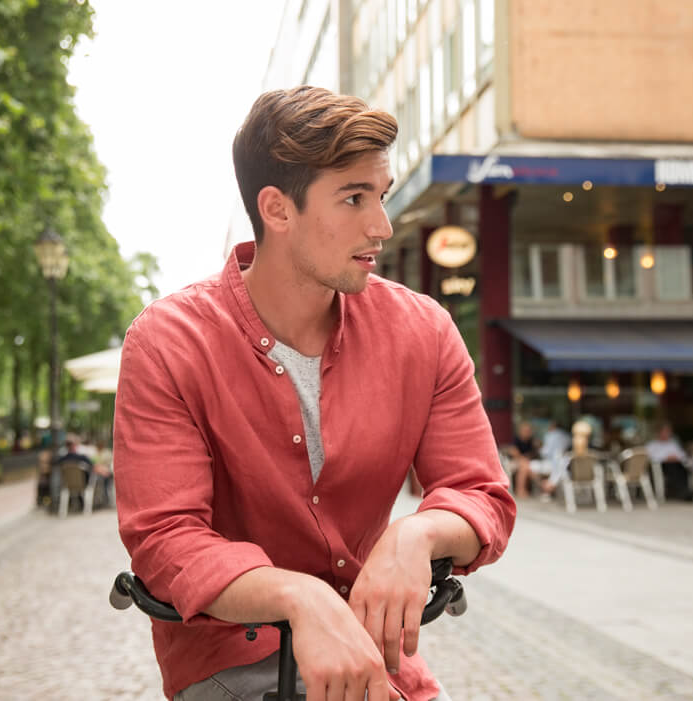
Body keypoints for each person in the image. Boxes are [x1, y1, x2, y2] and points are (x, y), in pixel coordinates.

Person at [114, 86, 515, 701]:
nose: (381, 225)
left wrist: (418, 534)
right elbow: (166, 538)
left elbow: (482, 494)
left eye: (379, 196)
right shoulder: (168, 341)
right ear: (276, 209)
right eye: (353, 198)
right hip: (230, 660)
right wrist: (298, 597)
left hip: (377, 662)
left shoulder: (425, 330)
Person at [645, 422, 692, 501]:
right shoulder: (652, 445)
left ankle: (684, 493)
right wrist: (666, 458)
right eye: (665, 431)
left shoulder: (673, 444)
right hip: (661, 466)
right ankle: (678, 493)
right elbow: (650, 458)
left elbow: (682, 455)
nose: (668, 433)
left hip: (676, 465)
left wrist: (676, 458)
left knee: (683, 469)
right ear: (659, 432)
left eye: (669, 431)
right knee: (672, 469)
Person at [503, 422, 540, 498]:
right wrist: (522, 458)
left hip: (526, 463)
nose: (527, 432)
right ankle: (522, 490)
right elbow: (513, 452)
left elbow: (533, 454)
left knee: (525, 467)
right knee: (524, 466)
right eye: (525, 431)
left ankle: (523, 490)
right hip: (513, 462)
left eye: (529, 431)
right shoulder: (516, 440)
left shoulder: (531, 441)